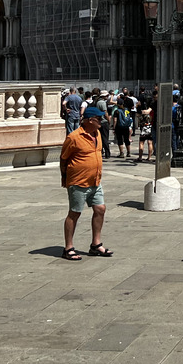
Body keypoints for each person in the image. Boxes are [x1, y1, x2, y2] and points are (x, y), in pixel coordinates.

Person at [59, 106, 112, 260]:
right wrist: (64, 178)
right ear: (90, 120)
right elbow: (63, 158)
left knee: (100, 209)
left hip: (95, 181)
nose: (101, 121)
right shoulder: (74, 137)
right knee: (74, 213)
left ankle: (96, 244)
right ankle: (68, 248)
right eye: (99, 118)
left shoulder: (98, 134)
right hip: (78, 182)